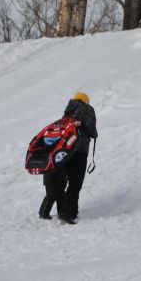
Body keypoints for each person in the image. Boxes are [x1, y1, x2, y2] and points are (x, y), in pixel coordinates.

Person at [38, 92, 98, 224]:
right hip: (79, 151)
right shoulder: (87, 109)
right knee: (75, 184)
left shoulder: (67, 112)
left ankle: (66, 211)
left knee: (62, 183)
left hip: (66, 152)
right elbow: (92, 131)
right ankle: (67, 213)